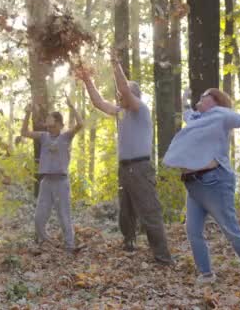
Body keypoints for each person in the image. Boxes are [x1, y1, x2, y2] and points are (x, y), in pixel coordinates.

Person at [163, 87, 240, 291]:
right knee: (193, 230)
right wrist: (185, 98)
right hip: (193, 183)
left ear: (214, 100)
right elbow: (187, 112)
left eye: (202, 97)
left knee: (231, 229)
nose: (198, 101)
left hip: (214, 182)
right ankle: (206, 275)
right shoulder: (196, 119)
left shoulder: (221, 115)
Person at [73, 59, 173, 265]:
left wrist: (116, 65)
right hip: (125, 169)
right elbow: (99, 103)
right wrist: (87, 80)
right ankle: (129, 243)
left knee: (149, 211)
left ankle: (163, 257)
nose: (119, 96)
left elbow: (124, 89)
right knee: (125, 212)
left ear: (133, 95)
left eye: (123, 93)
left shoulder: (140, 109)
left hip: (140, 168)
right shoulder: (122, 112)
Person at [20, 95, 83, 253]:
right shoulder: (43, 136)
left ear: (60, 125)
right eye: (48, 125)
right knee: (39, 218)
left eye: (53, 125)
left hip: (61, 182)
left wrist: (72, 107)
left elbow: (80, 124)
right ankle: (46, 241)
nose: (49, 127)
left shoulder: (66, 136)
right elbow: (24, 132)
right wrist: (28, 113)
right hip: (46, 181)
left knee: (64, 215)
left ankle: (69, 246)